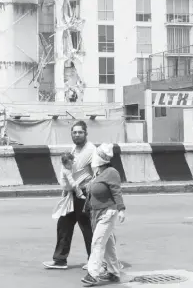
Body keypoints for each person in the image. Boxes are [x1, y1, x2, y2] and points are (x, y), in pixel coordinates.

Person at [43, 120, 96, 270]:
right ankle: (60, 259)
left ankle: (94, 260)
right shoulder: (73, 149)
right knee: (64, 224)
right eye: (74, 132)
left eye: (80, 132)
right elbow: (69, 172)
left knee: (86, 227)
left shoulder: (91, 150)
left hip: (84, 193)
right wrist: (65, 191)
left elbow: (97, 171)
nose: (77, 135)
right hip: (71, 193)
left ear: (86, 133)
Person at [81, 143, 126, 286]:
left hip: (108, 212)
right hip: (97, 212)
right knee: (108, 245)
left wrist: (121, 209)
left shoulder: (111, 172)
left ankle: (93, 274)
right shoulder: (98, 173)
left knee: (97, 242)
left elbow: (116, 191)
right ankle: (113, 272)